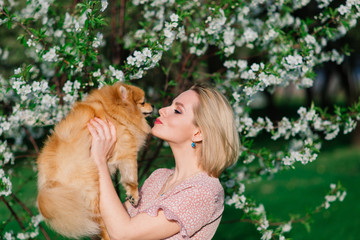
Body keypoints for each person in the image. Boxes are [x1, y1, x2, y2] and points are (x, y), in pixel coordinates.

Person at [87, 84, 239, 240]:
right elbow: (108, 226)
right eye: (170, 105)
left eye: (177, 111)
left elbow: (124, 234)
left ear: (198, 133)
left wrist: (99, 161)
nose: (162, 110)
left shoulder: (204, 192)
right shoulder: (158, 177)